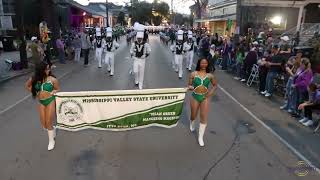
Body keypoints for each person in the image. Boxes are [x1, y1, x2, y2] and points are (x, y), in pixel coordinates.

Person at [25, 61, 60, 151]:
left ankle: (51, 141)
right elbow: (27, 86)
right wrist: (35, 93)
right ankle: (53, 129)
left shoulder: (53, 79)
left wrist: (53, 92)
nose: (49, 70)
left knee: (48, 122)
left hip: (50, 101)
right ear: (41, 70)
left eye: (49, 68)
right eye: (47, 68)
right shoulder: (34, 79)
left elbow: (57, 88)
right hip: (41, 102)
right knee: (44, 125)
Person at [188, 58, 218, 147]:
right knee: (193, 115)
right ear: (199, 64)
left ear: (207, 64)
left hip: (204, 97)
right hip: (195, 96)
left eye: (205, 63)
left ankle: (200, 137)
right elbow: (189, 84)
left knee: (203, 117)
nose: (204, 64)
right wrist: (190, 87)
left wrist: (210, 94)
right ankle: (192, 122)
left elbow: (215, 85)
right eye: (202, 63)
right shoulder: (193, 74)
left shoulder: (210, 76)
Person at [130, 24, 151, 89]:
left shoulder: (145, 44)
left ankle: (140, 85)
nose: (139, 39)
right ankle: (136, 80)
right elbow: (131, 50)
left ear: (142, 38)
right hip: (136, 59)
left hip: (142, 60)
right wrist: (132, 54)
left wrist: (146, 55)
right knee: (135, 71)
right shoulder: (134, 43)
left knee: (141, 72)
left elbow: (149, 51)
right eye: (138, 38)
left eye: (140, 38)